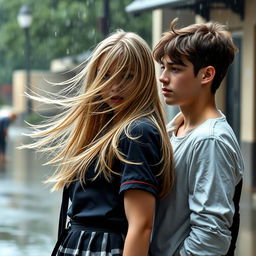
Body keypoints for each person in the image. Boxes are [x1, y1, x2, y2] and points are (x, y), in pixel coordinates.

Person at [22, 30, 174, 256]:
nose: (115, 86)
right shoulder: (102, 129)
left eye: (127, 76)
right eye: (106, 76)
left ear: (143, 78)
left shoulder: (137, 132)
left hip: (105, 248)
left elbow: (141, 226)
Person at [149, 19, 244, 256]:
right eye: (163, 67)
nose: (163, 77)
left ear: (206, 75)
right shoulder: (176, 129)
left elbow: (210, 238)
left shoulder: (210, 140)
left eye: (176, 69)